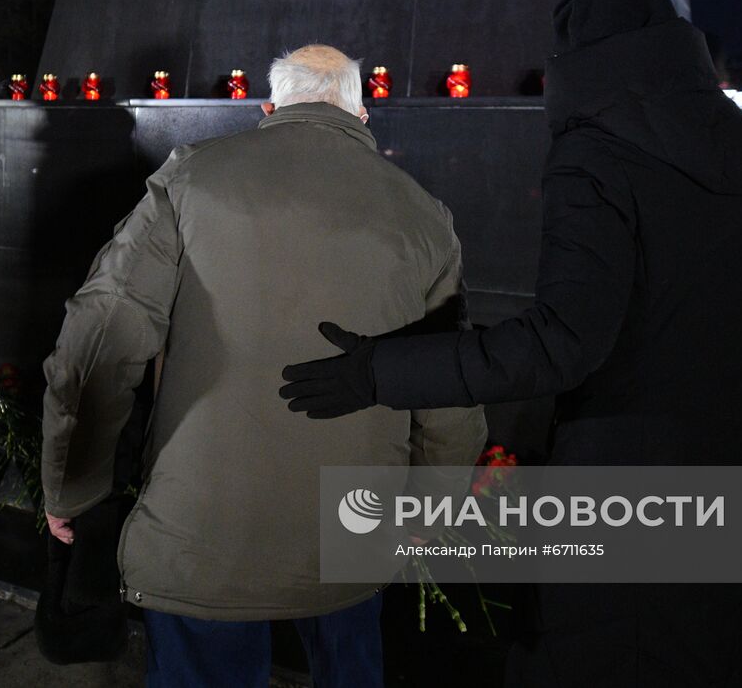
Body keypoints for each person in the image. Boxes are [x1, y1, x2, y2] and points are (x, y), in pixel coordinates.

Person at [281, 0, 742, 686]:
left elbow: (563, 342)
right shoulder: (728, 152)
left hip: (634, 471)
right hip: (737, 455)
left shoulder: (599, 154)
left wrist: (381, 371)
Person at [40, 44, 485, 687]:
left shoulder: (191, 179)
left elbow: (98, 342)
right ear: (362, 113)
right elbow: (450, 387)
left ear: (268, 108)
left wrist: (72, 487)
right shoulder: (425, 217)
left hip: (203, 533)